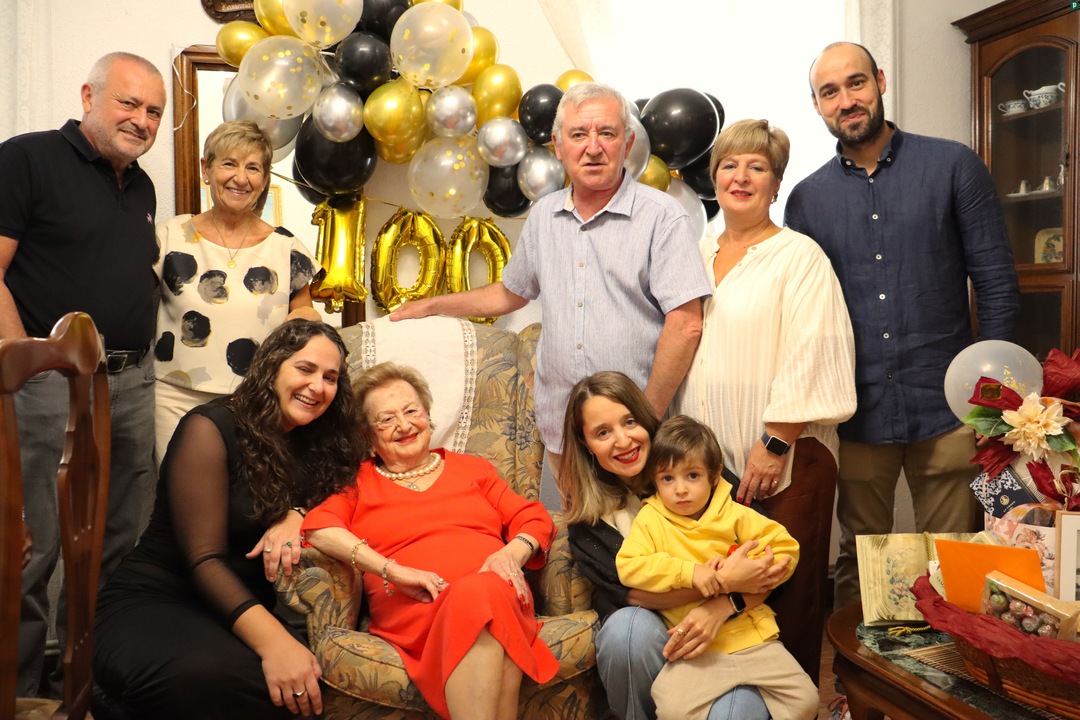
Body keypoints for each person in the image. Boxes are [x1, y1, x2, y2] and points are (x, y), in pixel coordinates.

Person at [784, 42, 1021, 609]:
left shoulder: (953, 166)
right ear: (816, 105)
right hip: (855, 411)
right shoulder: (806, 200)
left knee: (956, 557)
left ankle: (951, 666)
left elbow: (996, 285)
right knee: (862, 562)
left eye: (856, 83)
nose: (847, 100)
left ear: (881, 81)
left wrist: (994, 406)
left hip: (949, 407)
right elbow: (802, 316)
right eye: (830, 92)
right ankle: (860, 668)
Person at [391, 82, 711, 487]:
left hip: (637, 435)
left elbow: (686, 324)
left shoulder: (662, 216)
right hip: (565, 430)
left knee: (645, 529)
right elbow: (510, 293)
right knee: (574, 527)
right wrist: (431, 305)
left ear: (627, 143)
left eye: (607, 133)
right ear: (559, 146)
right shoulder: (544, 215)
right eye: (578, 135)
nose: (592, 148)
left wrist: (644, 421)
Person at [0, 51, 166, 696]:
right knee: (34, 542)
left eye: (154, 111)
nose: (142, 120)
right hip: (47, 384)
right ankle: (20, 692)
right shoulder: (26, 159)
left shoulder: (143, 187)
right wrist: (25, 363)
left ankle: (89, 681)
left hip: (130, 383)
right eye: (129, 103)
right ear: (89, 96)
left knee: (117, 538)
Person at [94, 319, 359, 719]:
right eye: (305, 369)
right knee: (237, 681)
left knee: (302, 686)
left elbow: (348, 487)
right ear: (272, 367)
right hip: (159, 600)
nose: (317, 386)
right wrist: (275, 644)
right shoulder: (210, 427)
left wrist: (298, 514)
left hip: (235, 613)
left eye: (330, 377)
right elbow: (205, 559)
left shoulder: (319, 441)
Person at [673, 118, 856, 682]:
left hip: (787, 457)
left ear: (776, 184)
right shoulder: (693, 253)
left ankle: (791, 705)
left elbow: (814, 350)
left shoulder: (799, 256)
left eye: (757, 167)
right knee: (719, 589)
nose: (741, 177)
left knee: (786, 594)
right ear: (714, 178)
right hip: (708, 462)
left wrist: (775, 443)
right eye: (729, 165)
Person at [302, 362, 558, 720]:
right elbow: (318, 527)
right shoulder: (358, 483)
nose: (404, 425)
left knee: (482, 591)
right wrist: (391, 570)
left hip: (495, 592)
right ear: (368, 435)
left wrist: (510, 556)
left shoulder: (474, 469)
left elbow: (534, 518)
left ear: (427, 414)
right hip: (416, 610)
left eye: (411, 411)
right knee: (481, 596)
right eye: (386, 419)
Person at [564, 371, 782, 720]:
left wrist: (723, 605)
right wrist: (725, 581)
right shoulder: (588, 525)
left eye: (629, 421)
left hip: (734, 633)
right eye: (603, 433)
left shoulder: (692, 465)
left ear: (645, 419)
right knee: (625, 629)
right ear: (586, 443)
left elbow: (767, 557)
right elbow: (633, 595)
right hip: (656, 645)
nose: (623, 440)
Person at [616, 415, 818, 720]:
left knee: (807, 701)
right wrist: (690, 573)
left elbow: (786, 547)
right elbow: (629, 566)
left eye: (692, 475)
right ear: (654, 481)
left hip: (753, 640)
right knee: (671, 709)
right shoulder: (650, 520)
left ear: (714, 475)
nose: (680, 489)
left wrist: (750, 567)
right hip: (695, 650)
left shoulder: (735, 514)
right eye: (667, 479)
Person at [153, 119, 321, 462]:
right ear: (206, 169)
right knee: (184, 491)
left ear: (264, 178)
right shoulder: (168, 236)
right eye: (229, 163)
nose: (240, 178)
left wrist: (307, 324)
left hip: (257, 400)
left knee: (248, 492)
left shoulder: (286, 247)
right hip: (175, 398)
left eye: (252, 167)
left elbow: (305, 315)